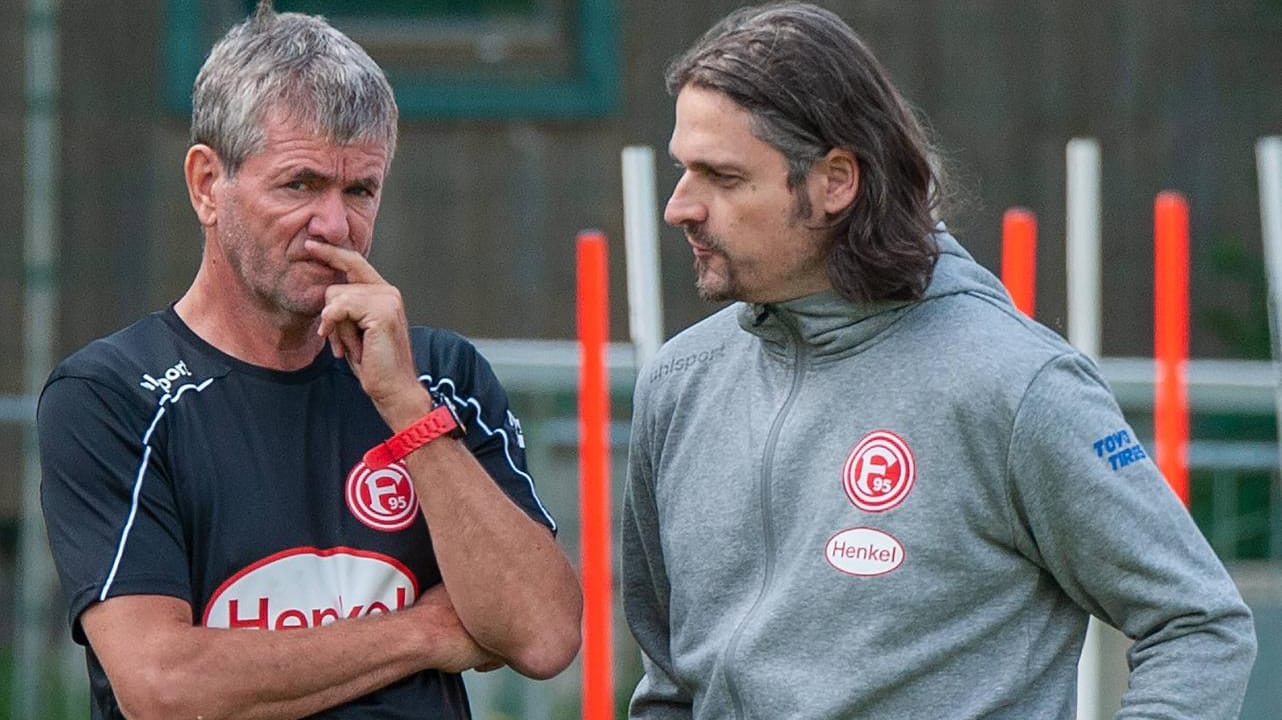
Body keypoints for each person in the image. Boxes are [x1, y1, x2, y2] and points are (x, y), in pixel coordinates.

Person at [620, 3, 1256, 718]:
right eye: (683, 170)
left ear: (836, 181)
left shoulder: (1013, 386)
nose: (679, 207)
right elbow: (669, 689)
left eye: (724, 177)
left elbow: (1199, 625)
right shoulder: (681, 384)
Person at [38, 3, 581, 718]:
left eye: (360, 190)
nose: (334, 225)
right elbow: (164, 688)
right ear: (207, 184)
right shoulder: (112, 396)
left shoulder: (438, 375)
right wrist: (426, 630)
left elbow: (542, 636)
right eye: (299, 185)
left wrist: (406, 411)